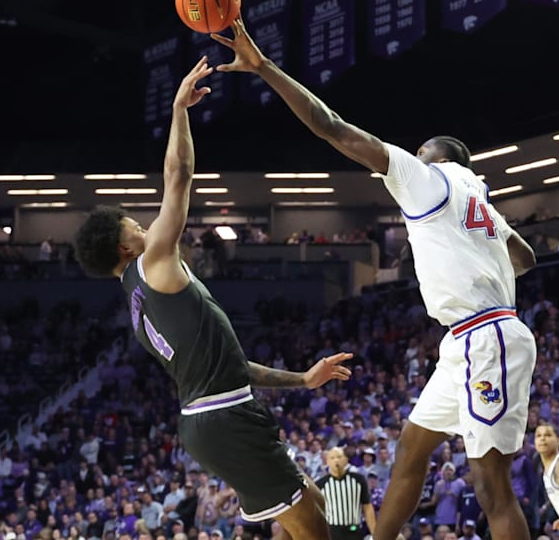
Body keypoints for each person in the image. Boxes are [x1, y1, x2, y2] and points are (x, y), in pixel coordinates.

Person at [211, 19, 538, 540]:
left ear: (439, 157)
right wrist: (482, 243)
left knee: (490, 484)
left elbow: (331, 126)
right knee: (411, 445)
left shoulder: (426, 178)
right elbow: (526, 257)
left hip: (487, 336)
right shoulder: (482, 205)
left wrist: (264, 67)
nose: (412, 156)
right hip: (468, 340)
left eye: (422, 150)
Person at [72, 57, 350, 539]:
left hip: (214, 416)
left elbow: (236, 367)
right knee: (315, 531)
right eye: (134, 226)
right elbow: (178, 178)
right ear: (124, 246)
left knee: (313, 504)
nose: (145, 226)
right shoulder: (151, 262)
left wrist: (304, 380)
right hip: (224, 418)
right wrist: (180, 110)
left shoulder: (137, 305)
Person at [315, 448, 375, 540]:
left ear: (346, 460)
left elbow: (367, 507)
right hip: (332, 532)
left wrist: (375, 532)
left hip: (353, 530)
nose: (336, 460)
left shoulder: (359, 480)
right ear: (327, 462)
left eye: (339, 457)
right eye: (332, 458)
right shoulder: (320, 484)